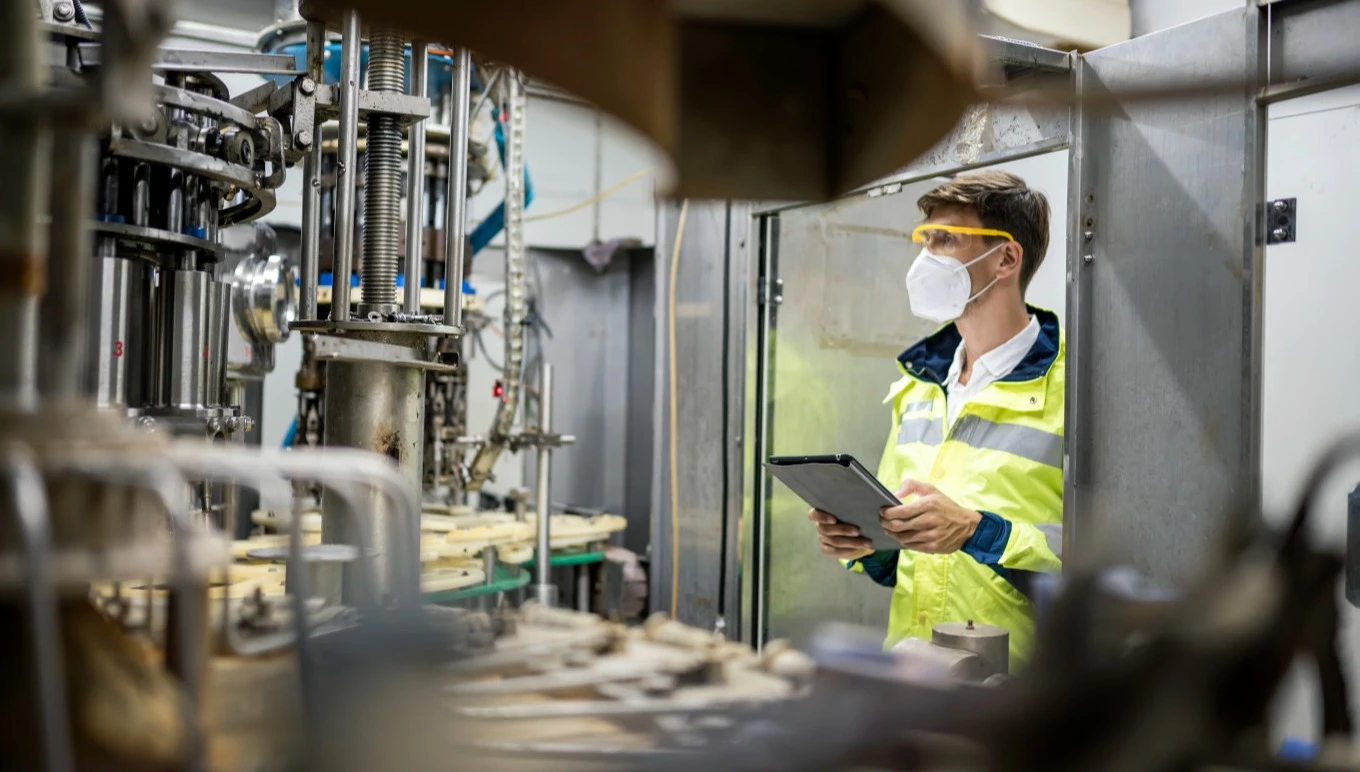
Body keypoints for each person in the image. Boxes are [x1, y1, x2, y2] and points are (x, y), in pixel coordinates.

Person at [808, 170, 1064, 669]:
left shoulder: (1077, 387)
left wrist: (978, 532)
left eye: (945, 239)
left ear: (1006, 258)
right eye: (925, 239)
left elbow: (1118, 561)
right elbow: (903, 555)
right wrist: (866, 542)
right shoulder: (919, 384)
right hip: (915, 676)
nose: (926, 258)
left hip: (1020, 691)